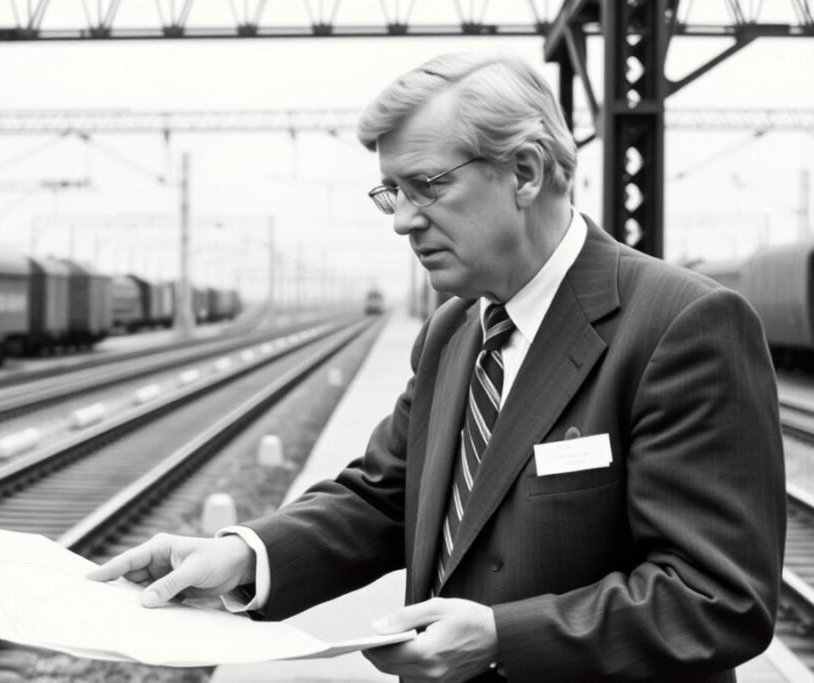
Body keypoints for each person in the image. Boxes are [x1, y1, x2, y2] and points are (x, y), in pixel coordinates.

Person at [87, 52, 786, 682]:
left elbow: (717, 597)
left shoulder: (681, 324)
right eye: (390, 192)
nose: (401, 221)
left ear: (525, 172)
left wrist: (501, 638)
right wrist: (246, 556)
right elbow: (386, 496)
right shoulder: (455, 328)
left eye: (426, 186)